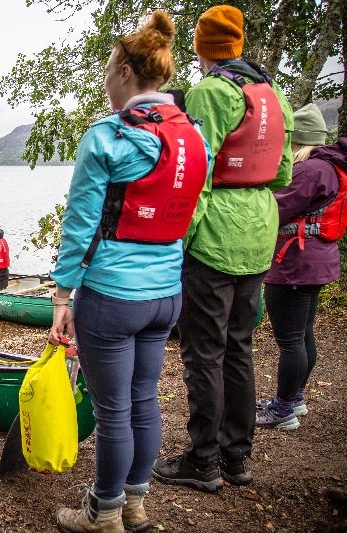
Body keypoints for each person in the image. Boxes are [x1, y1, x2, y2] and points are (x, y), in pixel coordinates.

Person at [47, 12, 211, 532]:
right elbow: (190, 211)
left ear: (124, 72)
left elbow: (80, 225)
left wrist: (62, 295)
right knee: (144, 399)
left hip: (113, 296)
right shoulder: (195, 139)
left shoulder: (108, 136)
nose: (105, 81)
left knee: (113, 410)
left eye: (107, 70)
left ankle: (104, 514)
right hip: (166, 293)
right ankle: (135, 506)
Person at [152, 5, 293, 492]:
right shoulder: (270, 93)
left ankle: (203, 460)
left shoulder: (211, 91)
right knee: (239, 346)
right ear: (238, 43)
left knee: (204, 352)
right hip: (259, 229)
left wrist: (179, 237)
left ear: (201, 47)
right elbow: (282, 172)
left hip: (215, 233)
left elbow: (196, 168)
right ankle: (236, 457)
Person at [257, 105, 345, 430]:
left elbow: (275, 209)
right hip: (318, 261)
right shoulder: (331, 167)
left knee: (291, 340)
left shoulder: (308, 171)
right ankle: (294, 397)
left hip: (295, 263)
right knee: (303, 334)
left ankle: (283, 410)